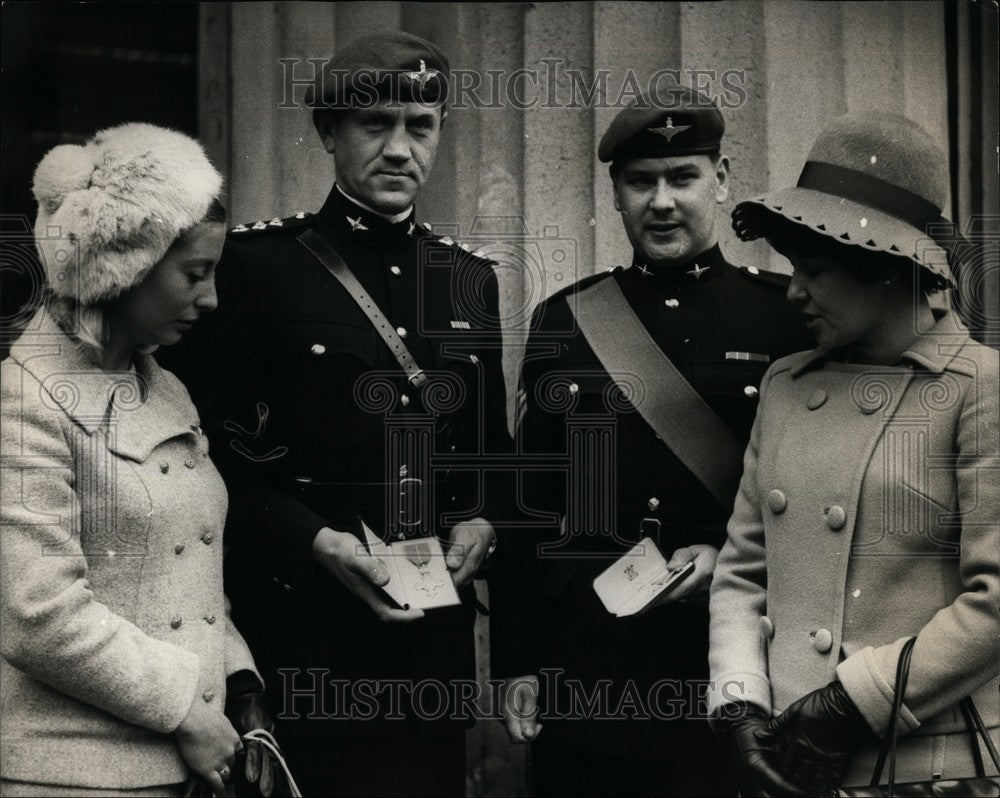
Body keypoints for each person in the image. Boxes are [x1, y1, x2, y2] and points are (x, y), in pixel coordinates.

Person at [160, 31, 511, 797]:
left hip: (429, 657)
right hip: (303, 639)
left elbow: (490, 458)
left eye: (419, 127)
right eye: (372, 125)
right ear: (327, 133)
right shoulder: (256, 269)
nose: (398, 148)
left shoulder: (468, 280)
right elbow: (204, 462)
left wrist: (483, 521)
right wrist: (313, 541)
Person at [489, 90, 812, 796]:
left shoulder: (785, 318)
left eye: (682, 177)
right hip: (590, 664)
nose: (661, 202)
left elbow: (821, 501)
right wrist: (519, 660)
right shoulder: (568, 319)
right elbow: (527, 505)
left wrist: (730, 562)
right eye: (641, 182)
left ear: (721, 179)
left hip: (733, 665)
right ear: (616, 193)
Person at [708, 113, 999, 794]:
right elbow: (742, 573)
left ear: (888, 271)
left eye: (816, 271)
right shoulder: (786, 385)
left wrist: (851, 702)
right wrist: (741, 701)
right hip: (792, 762)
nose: (793, 292)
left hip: (929, 768)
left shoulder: (979, 388)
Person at [0, 123, 281, 797]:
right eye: (194, 274)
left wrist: (240, 687)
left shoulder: (167, 388)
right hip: (75, 777)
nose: (210, 300)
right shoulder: (25, 399)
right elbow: (40, 615)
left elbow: (189, 571)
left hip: (186, 764)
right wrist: (185, 706)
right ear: (122, 263)